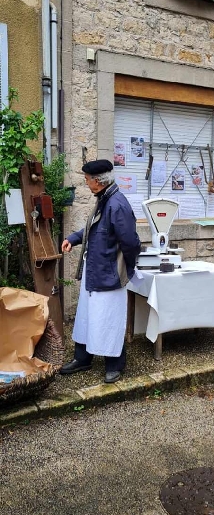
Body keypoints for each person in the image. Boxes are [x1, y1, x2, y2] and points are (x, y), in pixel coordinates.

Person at [60, 159, 141, 383]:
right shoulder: (104, 199)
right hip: (94, 270)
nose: (86, 183)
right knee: (86, 317)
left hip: (109, 274)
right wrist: (73, 239)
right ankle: (83, 358)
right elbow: (92, 229)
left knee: (108, 319)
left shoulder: (117, 204)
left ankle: (115, 364)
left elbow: (131, 243)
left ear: (98, 181)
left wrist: (127, 268)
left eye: (87, 180)